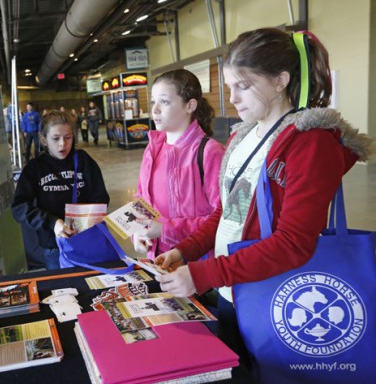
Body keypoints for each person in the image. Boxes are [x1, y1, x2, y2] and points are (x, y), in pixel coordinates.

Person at [153, 28, 373, 377]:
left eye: (243, 86)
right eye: (229, 88)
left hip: (275, 298)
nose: (233, 98)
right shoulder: (243, 136)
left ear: (279, 81)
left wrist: (205, 273)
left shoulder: (309, 143)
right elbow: (228, 213)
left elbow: (294, 243)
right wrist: (187, 251)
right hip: (232, 293)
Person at [133, 69, 224, 260]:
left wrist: (166, 229)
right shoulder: (153, 149)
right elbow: (141, 199)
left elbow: (224, 219)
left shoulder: (210, 152)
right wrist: (138, 231)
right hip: (157, 261)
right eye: (153, 102)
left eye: (164, 102)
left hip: (194, 264)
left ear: (190, 105)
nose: (155, 110)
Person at [12, 110, 110, 269]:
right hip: (54, 247)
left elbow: (100, 196)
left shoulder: (83, 160)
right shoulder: (35, 168)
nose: (62, 144)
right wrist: (52, 222)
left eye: (68, 138)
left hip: (86, 240)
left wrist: (86, 220)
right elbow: (19, 207)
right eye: (55, 139)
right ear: (44, 140)